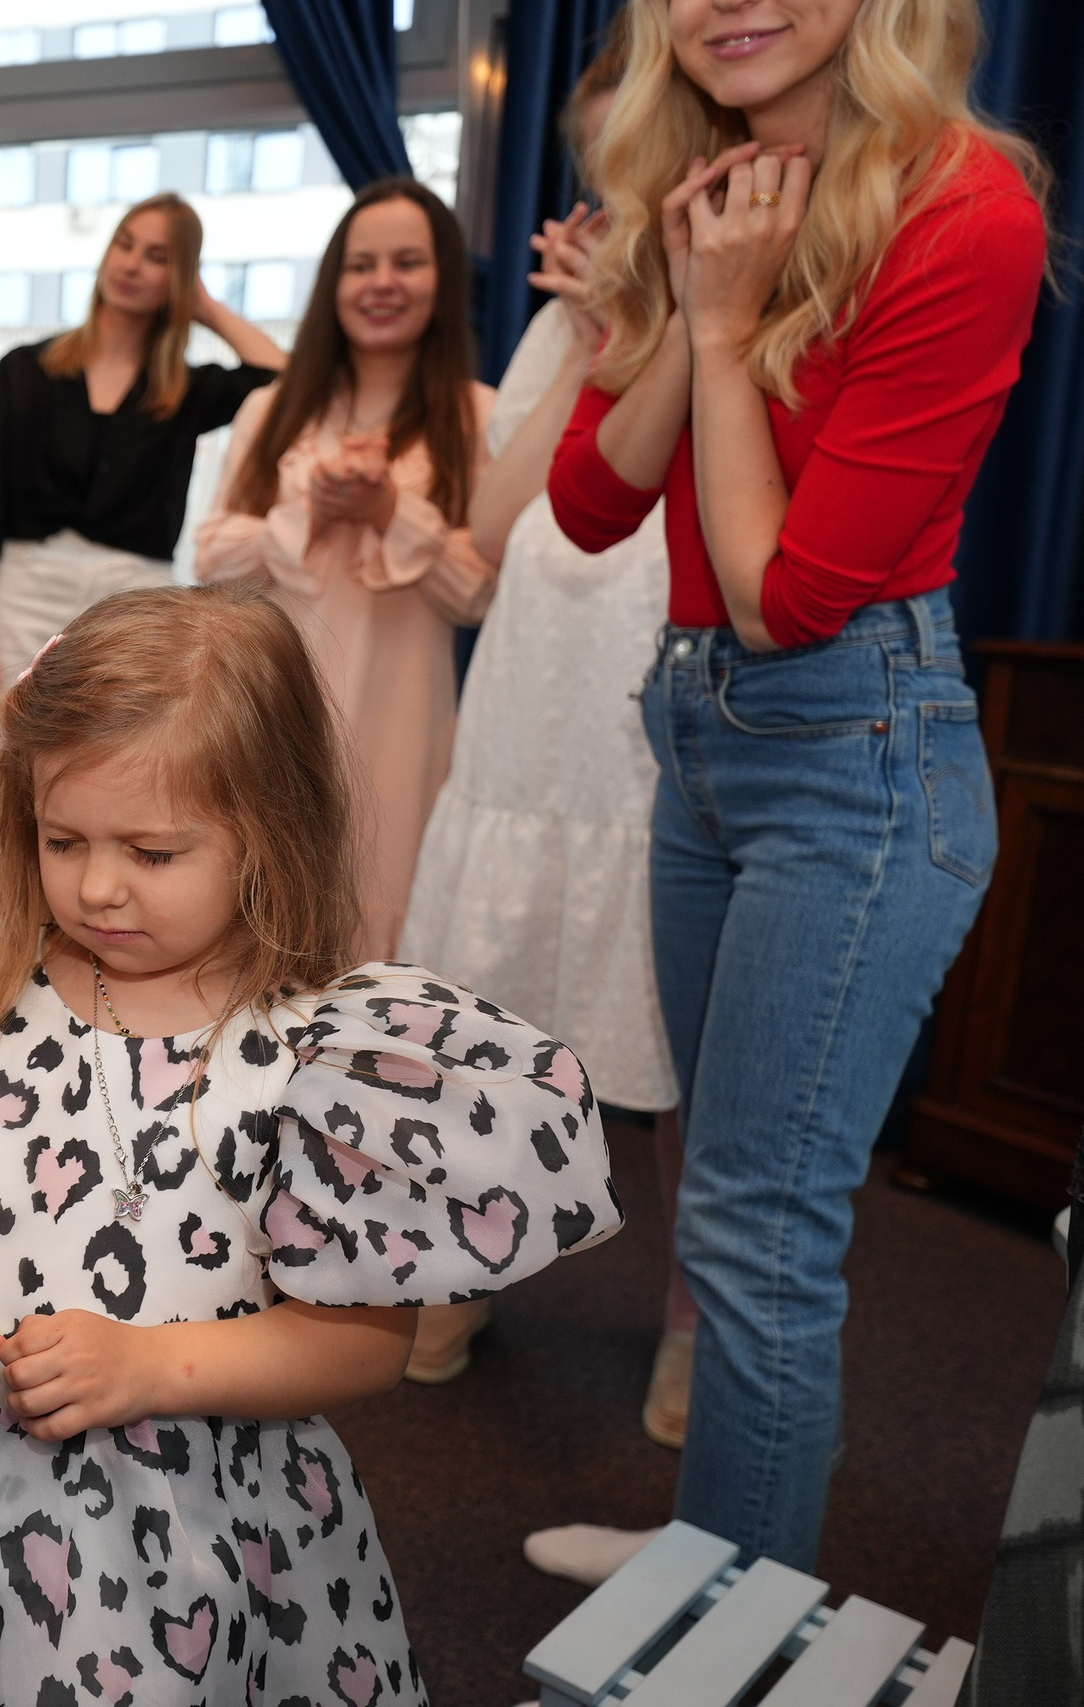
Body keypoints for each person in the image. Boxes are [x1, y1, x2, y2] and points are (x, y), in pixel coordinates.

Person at [0, 583, 618, 1705]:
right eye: (62, 839)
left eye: (153, 853)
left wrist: (150, 1366)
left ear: (267, 833)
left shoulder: (319, 1060)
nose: (98, 886)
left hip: (186, 1521)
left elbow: (360, 1344)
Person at [529, 0, 1046, 1581]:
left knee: (759, 1227)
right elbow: (591, 501)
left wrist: (726, 324)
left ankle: (734, 1618)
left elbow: (784, 594)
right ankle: (713, 1551)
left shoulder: (964, 208)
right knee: (717, 1195)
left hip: (853, 754)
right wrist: (696, 295)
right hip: (700, 732)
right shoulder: (702, 190)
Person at [394, 42, 693, 1411]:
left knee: (684, 1036)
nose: (620, 177)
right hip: (536, 679)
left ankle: (696, 1313)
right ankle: (464, 1262)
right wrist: (592, 343)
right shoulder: (569, 313)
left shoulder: (760, 284)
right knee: (489, 1003)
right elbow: (498, 515)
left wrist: (654, 335)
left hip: (666, 659)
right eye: (603, 152)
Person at [194, 177, 495, 965]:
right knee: (258, 907)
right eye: (362, 265)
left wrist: (391, 509)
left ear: (444, 279)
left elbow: (482, 588)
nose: (382, 283)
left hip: (404, 713)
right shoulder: (272, 409)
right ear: (334, 281)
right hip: (273, 702)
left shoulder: (480, 415)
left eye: (407, 263)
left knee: (378, 907)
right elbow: (213, 559)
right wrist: (312, 514)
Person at [0, 191, 284, 685]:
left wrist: (204, 306)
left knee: (125, 729)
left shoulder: (185, 390)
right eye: (124, 244)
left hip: (135, 594)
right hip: (26, 586)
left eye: (157, 257)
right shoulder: (25, 369)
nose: (131, 265)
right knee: (9, 723)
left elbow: (283, 379)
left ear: (179, 278)